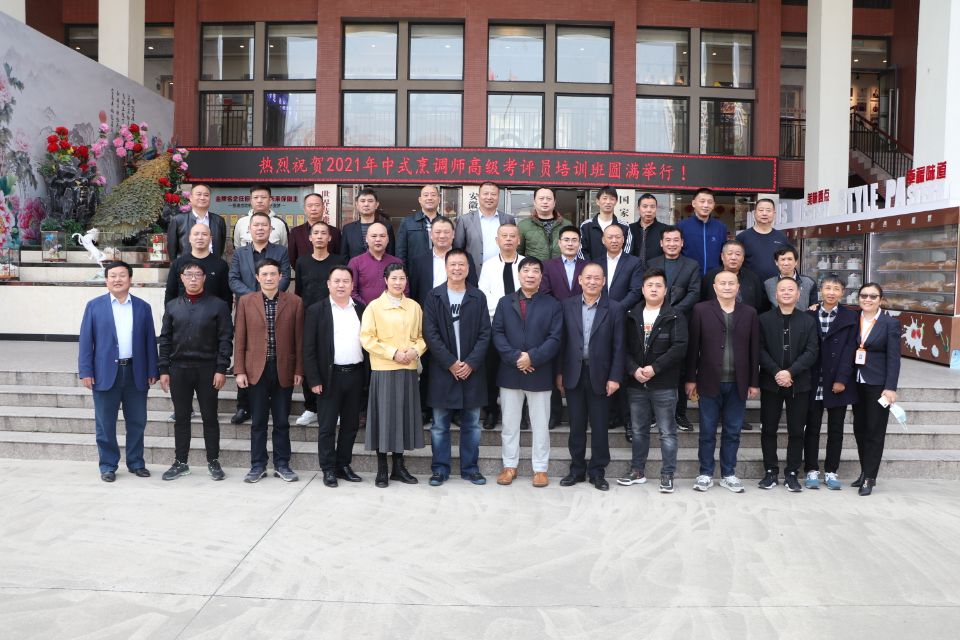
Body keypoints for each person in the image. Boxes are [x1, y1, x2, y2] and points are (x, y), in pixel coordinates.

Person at [77, 261, 158, 482]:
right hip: (104, 373)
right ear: (106, 280)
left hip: (135, 372)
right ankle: (108, 465)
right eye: (112, 276)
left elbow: (150, 341)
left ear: (130, 279)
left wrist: (153, 368)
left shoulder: (142, 307)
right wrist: (86, 371)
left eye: (122, 275)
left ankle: (136, 462)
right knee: (105, 423)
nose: (117, 279)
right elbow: (86, 342)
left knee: (137, 421)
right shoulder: (94, 306)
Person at [157, 261, 233, 482]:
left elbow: (225, 339)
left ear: (204, 278)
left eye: (197, 274)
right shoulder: (172, 306)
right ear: (181, 278)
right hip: (179, 369)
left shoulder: (218, 305)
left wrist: (221, 368)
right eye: (188, 274)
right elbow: (165, 339)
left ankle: (213, 461)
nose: (193, 278)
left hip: (207, 369)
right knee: (181, 417)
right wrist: (164, 368)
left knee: (210, 417)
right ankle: (181, 462)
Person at [686, 270, 760, 493]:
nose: (727, 287)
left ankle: (729, 473)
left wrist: (753, 382)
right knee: (707, 431)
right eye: (722, 283)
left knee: (733, 431)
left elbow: (754, 350)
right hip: (708, 380)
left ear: (738, 287)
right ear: (715, 287)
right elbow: (693, 348)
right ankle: (705, 473)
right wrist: (690, 378)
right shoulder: (701, 310)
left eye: (731, 283)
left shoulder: (749, 313)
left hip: (738, 382)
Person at [422, 249, 491, 486]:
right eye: (453, 264)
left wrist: (470, 363)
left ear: (468, 268)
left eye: (462, 264)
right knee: (440, 425)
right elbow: (430, 334)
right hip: (443, 371)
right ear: (446, 267)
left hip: (472, 371)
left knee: (472, 424)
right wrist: (450, 362)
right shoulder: (434, 296)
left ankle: (470, 469)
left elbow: (485, 333)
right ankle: (440, 469)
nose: (457, 268)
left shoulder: (477, 297)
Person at [492, 257, 562, 488]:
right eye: (526, 270)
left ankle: (540, 469)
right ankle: (509, 466)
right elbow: (497, 333)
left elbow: (555, 338)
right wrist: (516, 358)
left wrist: (532, 357)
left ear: (541, 277)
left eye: (535, 271)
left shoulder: (552, 304)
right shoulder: (505, 302)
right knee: (509, 424)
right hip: (510, 372)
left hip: (539, 372)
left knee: (540, 425)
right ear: (519, 274)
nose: (530, 275)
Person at [234, 258, 303, 484]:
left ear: (281, 276)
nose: (269, 278)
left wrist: (299, 369)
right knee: (258, 422)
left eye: (273, 274)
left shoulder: (294, 302)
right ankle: (258, 465)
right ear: (257, 277)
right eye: (264, 274)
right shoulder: (246, 302)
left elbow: (299, 340)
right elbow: (240, 338)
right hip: (256, 370)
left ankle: (282, 464)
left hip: (283, 368)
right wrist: (239, 370)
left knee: (282, 421)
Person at [557, 262, 624, 491]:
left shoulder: (614, 308)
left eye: (597, 278)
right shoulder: (567, 306)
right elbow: (561, 342)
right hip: (574, 374)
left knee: (600, 426)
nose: (592, 282)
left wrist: (615, 377)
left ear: (603, 281)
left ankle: (597, 472)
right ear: (580, 280)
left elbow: (619, 347)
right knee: (576, 425)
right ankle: (576, 469)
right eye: (588, 278)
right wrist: (559, 373)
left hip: (602, 376)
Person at [619, 268, 687, 494]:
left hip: (664, 384)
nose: (654, 289)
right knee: (638, 431)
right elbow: (623, 348)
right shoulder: (632, 315)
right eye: (650, 285)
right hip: (636, 383)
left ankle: (667, 474)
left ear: (666, 290)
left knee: (667, 432)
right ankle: (637, 471)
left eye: (659, 285)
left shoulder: (675, 315)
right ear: (642, 289)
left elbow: (679, 347)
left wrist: (654, 368)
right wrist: (633, 370)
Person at [360, 263, 427, 488]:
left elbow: (422, 336)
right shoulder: (374, 307)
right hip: (384, 369)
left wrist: (415, 351)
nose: (398, 283)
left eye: (402, 278)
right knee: (384, 419)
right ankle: (382, 469)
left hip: (408, 369)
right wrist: (393, 353)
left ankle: (399, 467)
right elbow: (367, 338)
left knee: (403, 418)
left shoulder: (414, 307)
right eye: (394, 278)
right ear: (385, 280)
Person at [408, 217, 477, 423]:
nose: (442, 236)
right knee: (428, 365)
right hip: (429, 319)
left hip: (458, 319)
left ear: (453, 235)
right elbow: (414, 292)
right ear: (431, 235)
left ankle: (456, 410)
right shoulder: (419, 260)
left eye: (446, 232)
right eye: (437, 232)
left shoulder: (464, 259)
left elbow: (472, 288)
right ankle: (425, 409)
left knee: (456, 362)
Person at [303, 265, 367, 487]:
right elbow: (308, 349)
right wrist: (313, 380)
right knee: (327, 427)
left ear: (352, 285)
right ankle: (328, 468)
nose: (341, 285)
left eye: (345, 281)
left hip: (356, 375)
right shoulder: (316, 310)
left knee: (350, 425)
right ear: (328, 284)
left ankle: (343, 465)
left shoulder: (361, 309)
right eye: (337, 281)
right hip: (329, 378)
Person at [228, 211, 291, 425]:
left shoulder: (280, 251)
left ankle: (273, 404)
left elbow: (285, 277)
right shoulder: (239, 253)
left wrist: (268, 294)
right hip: (247, 311)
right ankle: (243, 406)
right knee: (246, 352)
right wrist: (254, 298)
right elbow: (233, 279)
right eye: (256, 225)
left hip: (276, 309)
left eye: (265, 225)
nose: (260, 228)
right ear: (249, 229)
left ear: (271, 229)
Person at [757, 278, 819, 492]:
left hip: (799, 383)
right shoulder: (763, 319)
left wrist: (790, 372)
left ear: (798, 295)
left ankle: (792, 472)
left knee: (796, 430)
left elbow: (812, 351)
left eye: (790, 289)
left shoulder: (808, 321)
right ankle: (770, 471)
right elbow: (759, 349)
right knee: (768, 429)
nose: (786, 293)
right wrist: (777, 372)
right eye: (782, 289)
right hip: (770, 382)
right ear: (775, 294)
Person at [804, 276, 858, 490]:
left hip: (837, 381)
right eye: (827, 288)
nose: (831, 292)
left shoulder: (851, 317)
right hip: (814, 379)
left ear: (843, 292)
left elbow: (850, 349)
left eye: (836, 288)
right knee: (812, 428)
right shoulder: (809, 314)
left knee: (836, 429)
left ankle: (831, 471)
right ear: (821, 290)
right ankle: (811, 469)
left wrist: (842, 379)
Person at [292, 220, 347, 426]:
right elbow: (299, 291)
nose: (320, 236)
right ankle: (311, 407)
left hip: (334, 316)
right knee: (310, 359)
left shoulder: (339, 261)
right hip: (308, 317)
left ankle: (335, 407)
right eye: (316, 233)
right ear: (310, 238)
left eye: (324, 233)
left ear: (330, 237)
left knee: (334, 360)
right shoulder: (302, 262)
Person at [647, 226, 701, 432]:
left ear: (682, 243)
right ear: (661, 243)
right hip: (654, 320)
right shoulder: (651, 263)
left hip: (681, 321)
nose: (672, 244)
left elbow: (694, 292)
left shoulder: (691, 265)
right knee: (654, 364)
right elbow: (648, 289)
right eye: (668, 240)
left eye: (676, 240)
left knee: (681, 368)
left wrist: (673, 312)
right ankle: (653, 413)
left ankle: (680, 413)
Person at [850, 282, 901, 496]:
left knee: (875, 431)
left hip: (878, 384)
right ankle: (865, 471)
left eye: (873, 296)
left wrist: (890, 387)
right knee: (859, 429)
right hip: (855, 382)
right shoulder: (853, 318)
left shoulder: (890, 323)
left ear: (880, 300)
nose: (868, 299)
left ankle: (870, 477)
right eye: (864, 296)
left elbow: (894, 358)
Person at [594, 222, 643, 440]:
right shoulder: (595, 263)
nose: (614, 240)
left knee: (623, 369)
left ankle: (628, 420)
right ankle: (610, 416)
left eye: (618, 237)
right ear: (603, 240)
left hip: (624, 320)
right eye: (610, 237)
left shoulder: (634, 262)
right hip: (598, 322)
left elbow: (635, 291)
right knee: (603, 367)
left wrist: (615, 309)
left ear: (624, 240)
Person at [477, 222, 524, 429]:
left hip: (522, 326)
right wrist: (505, 310)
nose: (508, 239)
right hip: (494, 325)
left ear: (518, 240)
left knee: (520, 368)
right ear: (497, 240)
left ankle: (521, 413)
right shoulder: (488, 266)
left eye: (512, 236)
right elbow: (483, 295)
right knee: (491, 369)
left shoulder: (526, 264)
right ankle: (491, 411)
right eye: (504, 236)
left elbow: (530, 293)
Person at [539, 225, 586, 428]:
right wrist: (563, 310)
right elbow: (545, 292)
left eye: (574, 240)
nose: (570, 243)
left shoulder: (588, 266)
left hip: (583, 321)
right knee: (553, 366)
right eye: (566, 240)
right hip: (555, 321)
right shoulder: (548, 266)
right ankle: (555, 413)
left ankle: (581, 414)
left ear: (579, 244)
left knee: (578, 365)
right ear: (559, 243)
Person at [165, 223, 231, 308]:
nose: (200, 237)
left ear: (210, 239)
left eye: (204, 234)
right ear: (189, 238)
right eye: (196, 234)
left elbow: (226, 296)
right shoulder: (178, 263)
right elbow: (170, 293)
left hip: (213, 314)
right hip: (183, 314)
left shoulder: (221, 265)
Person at [454, 181, 515, 269]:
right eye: (485, 194)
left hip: (502, 270)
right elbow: (458, 250)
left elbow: (514, 246)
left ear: (498, 197)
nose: (489, 197)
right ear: (478, 196)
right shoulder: (465, 220)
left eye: (493, 194)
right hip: (474, 271)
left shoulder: (508, 219)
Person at [701, 240, 768, 314]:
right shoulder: (710, 277)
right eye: (729, 254)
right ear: (722, 256)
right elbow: (703, 302)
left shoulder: (753, 278)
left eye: (738, 254)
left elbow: (759, 305)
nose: (733, 257)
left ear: (743, 258)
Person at [348, 222, 405, 305]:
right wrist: (368, 308)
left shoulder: (397, 262)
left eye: (382, 236)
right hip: (364, 310)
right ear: (366, 239)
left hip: (393, 310)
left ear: (388, 239)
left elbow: (404, 290)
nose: (378, 239)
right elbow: (351, 291)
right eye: (374, 236)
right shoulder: (355, 262)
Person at [166, 183, 227, 261]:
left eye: (206, 195)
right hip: (186, 265)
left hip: (212, 264)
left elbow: (220, 247)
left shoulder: (219, 221)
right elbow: (172, 249)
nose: (202, 198)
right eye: (199, 194)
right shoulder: (178, 220)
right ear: (190, 198)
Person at [736, 198, 790, 283]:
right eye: (761, 210)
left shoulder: (781, 238)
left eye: (768, 210)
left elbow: (788, 262)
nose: (764, 213)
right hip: (750, 285)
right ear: (754, 213)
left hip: (776, 286)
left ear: (774, 214)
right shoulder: (742, 237)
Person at [677, 187, 727, 276]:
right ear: (693, 203)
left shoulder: (720, 227)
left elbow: (723, 253)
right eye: (702, 201)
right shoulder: (681, 226)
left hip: (714, 277)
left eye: (710, 202)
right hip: (688, 276)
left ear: (713, 205)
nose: (706, 205)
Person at [288, 192, 342, 270]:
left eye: (317, 205)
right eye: (309, 205)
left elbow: (338, 256)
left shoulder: (335, 232)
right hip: (305, 274)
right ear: (304, 209)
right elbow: (292, 258)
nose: (313, 209)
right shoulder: (295, 232)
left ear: (323, 208)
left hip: (329, 274)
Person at [517, 187, 573, 261]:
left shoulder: (567, 225)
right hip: (534, 268)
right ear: (534, 202)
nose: (545, 201)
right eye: (541, 198)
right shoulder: (523, 226)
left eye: (549, 199)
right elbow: (518, 253)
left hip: (560, 267)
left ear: (554, 202)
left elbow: (572, 251)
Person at [341, 187, 396, 259]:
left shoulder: (386, 227)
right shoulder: (348, 229)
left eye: (370, 201)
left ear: (376, 205)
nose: (366, 204)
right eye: (362, 201)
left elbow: (391, 254)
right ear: (357, 205)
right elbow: (344, 256)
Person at [579, 186, 631, 261]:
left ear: (616, 202)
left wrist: (617, 265)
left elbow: (627, 250)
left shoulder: (624, 226)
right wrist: (591, 266)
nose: (608, 202)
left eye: (612, 199)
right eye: (605, 198)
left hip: (618, 267)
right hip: (592, 268)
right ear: (597, 201)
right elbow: (581, 250)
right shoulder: (586, 226)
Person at [397, 184, 446, 263]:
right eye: (426, 195)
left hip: (440, 268)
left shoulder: (445, 223)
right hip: (415, 269)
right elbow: (400, 252)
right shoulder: (407, 222)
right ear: (420, 200)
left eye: (433, 195)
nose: (429, 198)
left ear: (439, 199)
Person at [232, 184, 289, 248]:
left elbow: (285, 248)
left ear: (270, 201)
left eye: (263, 197)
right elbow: (237, 247)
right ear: (251, 201)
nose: (259, 201)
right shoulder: (241, 222)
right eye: (256, 197)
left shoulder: (280, 223)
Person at [628, 193, 667, 271]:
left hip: (656, 273)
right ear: (638, 208)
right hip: (632, 273)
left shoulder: (665, 229)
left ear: (656, 208)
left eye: (652, 207)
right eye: (645, 206)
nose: (649, 210)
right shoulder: (630, 229)